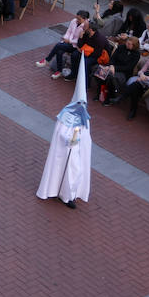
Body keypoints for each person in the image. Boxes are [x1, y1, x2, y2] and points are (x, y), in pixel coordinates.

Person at [36, 66, 92, 208]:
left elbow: (86, 135)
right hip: (65, 150)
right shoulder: (66, 114)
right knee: (67, 171)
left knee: (76, 171)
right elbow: (60, 132)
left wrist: (81, 140)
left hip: (77, 150)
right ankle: (64, 195)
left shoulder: (84, 116)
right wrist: (70, 139)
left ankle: (71, 194)